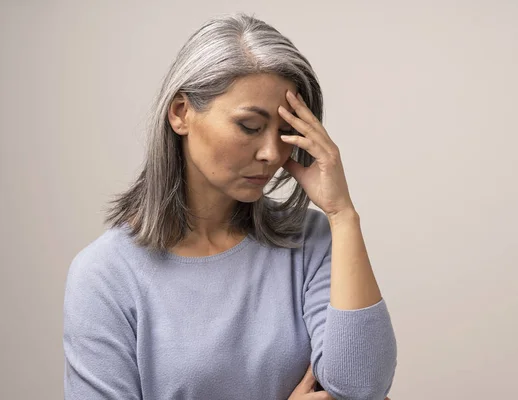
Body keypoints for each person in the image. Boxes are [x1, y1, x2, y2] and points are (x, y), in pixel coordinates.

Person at [63, 12, 397, 400]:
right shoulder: (105, 276)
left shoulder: (310, 241)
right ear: (181, 113)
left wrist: (343, 215)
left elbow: (363, 389)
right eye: (250, 127)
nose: (272, 153)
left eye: (286, 132)